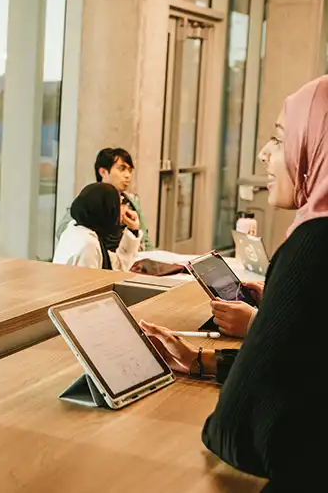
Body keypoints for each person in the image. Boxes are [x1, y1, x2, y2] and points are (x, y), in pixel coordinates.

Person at [141, 75, 328, 487]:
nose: (265, 153)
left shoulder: (315, 245)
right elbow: (308, 372)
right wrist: (202, 361)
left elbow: (237, 428)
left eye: (280, 138)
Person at [56, 148, 154, 251]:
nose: (127, 175)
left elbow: (146, 241)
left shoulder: (131, 202)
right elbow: (63, 231)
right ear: (103, 172)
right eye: (122, 169)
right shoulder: (90, 199)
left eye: (130, 170)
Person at [53, 182, 140, 271]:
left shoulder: (76, 230)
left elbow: (117, 265)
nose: (124, 211)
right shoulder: (88, 244)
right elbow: (93, 282)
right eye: (119, 205)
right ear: (106, 209)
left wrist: (133, 230)